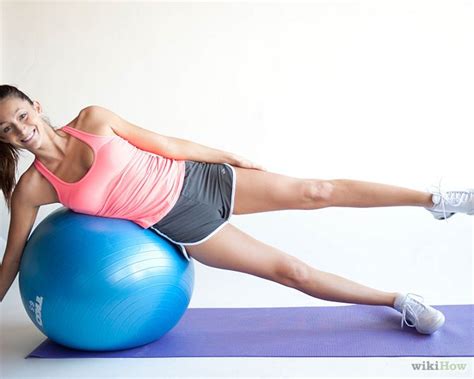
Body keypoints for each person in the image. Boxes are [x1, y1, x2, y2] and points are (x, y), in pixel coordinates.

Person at [0, 85, 472, 335]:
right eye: (6, 129)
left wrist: (227, 156)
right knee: (293, 271)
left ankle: (435, 201)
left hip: (202, 179)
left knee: (316, 189)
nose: (21, 130)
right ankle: (398, 302)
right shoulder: (34, 188)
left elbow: (165, 144)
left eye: (22, 115)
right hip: (186, 225)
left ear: (36, 106)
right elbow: (14, 257)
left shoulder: (93, 119)